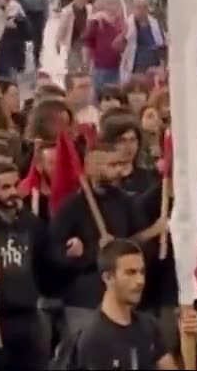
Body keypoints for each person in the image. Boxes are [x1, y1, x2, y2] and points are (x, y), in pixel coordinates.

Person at [50, 137, 144, 337]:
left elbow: (136, 242)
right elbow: (54, 256)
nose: (118, 171)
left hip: (121, 298)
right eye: (111, 165)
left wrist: (118, 247)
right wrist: (85, 254)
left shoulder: (125, 202)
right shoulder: (71, 207)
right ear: (91, 167)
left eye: (120, 164)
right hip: (84, 301)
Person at [67, 239, 197, 369]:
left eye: (142, 272)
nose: (140, 280)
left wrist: (188, 338)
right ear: (107, 278)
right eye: (131, 273)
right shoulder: (93, 338)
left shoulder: (148, 325)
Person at [0, 161, 47, 371]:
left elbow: (47, 262)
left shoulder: (31, 223)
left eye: (16, 185)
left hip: (30, 315)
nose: (13, 192)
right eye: (5, 187)